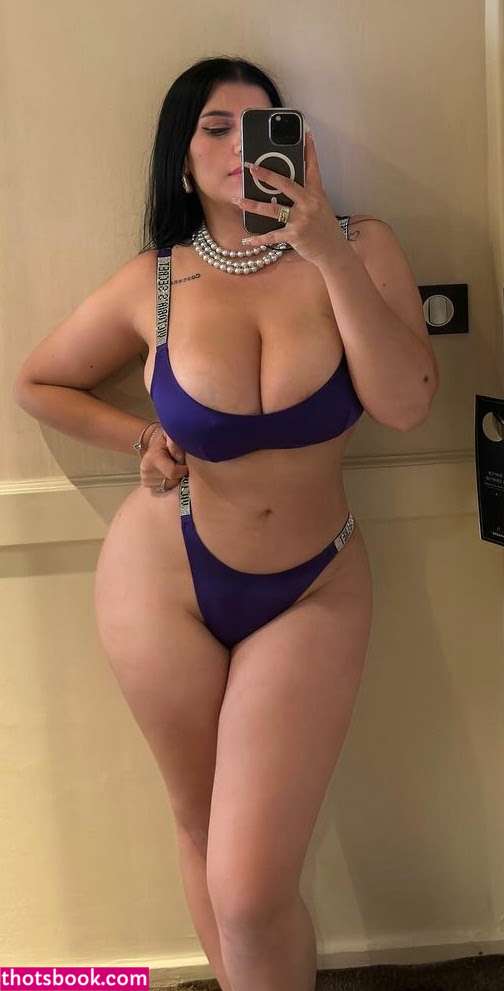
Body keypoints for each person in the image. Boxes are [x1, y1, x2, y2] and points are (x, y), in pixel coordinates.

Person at [13, 56, 437, 991]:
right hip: (162, 579)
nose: (242, 146)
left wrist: (324, 250)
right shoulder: (157, 280)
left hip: (313, 583)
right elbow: (38, 380)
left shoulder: (360, 245)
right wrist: (140, 437)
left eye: (261, 124)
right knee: (202, 831)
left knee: (249, 887)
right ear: (181, 158)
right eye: (215, 128)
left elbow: (407, 403)